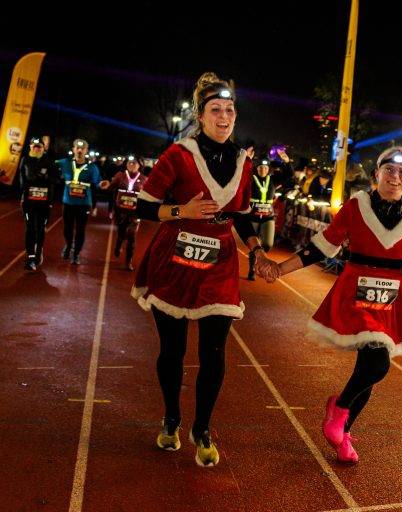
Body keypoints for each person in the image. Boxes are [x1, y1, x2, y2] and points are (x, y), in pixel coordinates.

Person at [132, 72, 275, 467]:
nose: (224, 116)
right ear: (201, 115)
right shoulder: (178, 155)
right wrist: (183, 211)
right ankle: (171, 417)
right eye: (216, 109)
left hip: (220, 262)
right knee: (173, 350)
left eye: (230, 110)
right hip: (175, 258)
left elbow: (242, 216)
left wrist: (257, 250)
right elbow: (143, 205)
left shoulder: (245, 162)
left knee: (214, 351)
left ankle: (203, 427)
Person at [273, 146, 402, 463]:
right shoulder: (357, 207)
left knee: (368, 367)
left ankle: (344, 431)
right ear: (376, 175)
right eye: (389, 170)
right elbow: (323, 246)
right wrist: (280, 269)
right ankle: (340, 409)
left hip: (393, 299)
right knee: (377, 363)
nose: (395, 177)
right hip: (357, 293)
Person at [57, 139, 108, 265]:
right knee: (67, 229)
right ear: (73, 149)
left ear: (86, 151)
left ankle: (76, 254)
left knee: (80, 229)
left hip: (84, 204)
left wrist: (102, 184)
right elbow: (48, 164)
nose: (80, 150)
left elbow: (97, 182)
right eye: (77, 148)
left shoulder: (92, 167)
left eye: (83, 148)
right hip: (68, 202)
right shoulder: (65, 163)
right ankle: (69, 245)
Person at [19, 137, 57, 270]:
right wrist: (23, 194)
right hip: (29, 201)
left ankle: (38, 251)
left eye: (39, 146)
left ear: (43, 148)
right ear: (30, 147)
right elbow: (22, 180)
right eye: (34, 146)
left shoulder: (49, 161)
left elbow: (54, 181)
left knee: (40, 228)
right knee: (30, 227)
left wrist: (45, 178)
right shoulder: (25, 160)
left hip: (44, 202)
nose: (36, 148)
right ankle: (30, 258)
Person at [106, 155, 147, 270]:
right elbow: (111, 189)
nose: (131, 165)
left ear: (140, 165)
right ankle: (118, 244)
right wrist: (106, 185)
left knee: (132, 236)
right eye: (129, 162)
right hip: (120, 211)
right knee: (121, 233)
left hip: (135, 213)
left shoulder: (144, 179)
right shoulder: (120, 176)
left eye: (134, 163)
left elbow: (147, 196)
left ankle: (128, 261)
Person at [246, 157, 277, 280]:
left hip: (267, 217)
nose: (263, 169)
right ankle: (252, 268)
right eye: (260, 167)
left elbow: (289, 174)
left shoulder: (273, 180)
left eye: (265, 167)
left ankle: (258, 259)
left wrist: (285, 161)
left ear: (268, 169)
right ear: (256, 169)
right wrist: (247, 159)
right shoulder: (251, 179)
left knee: (268, 244)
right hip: (253, 216)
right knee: (254, 245)